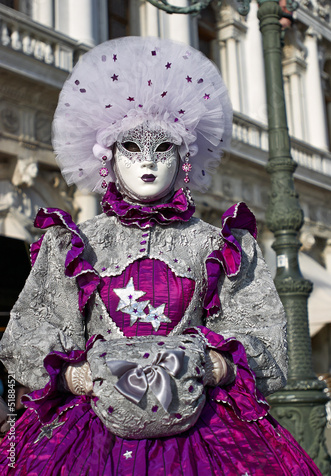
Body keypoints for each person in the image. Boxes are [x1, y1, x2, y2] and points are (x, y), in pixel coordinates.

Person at [0, 37, 322, 475]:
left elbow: (262, 333)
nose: (147, 161)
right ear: (109, 158)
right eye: (132, 148)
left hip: (202, 426)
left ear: (184, 158)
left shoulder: (218, 244)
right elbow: (28, 334)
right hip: (89, 429)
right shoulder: (74, 243)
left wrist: (215, 365)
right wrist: (76, 376)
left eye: (162, 148)